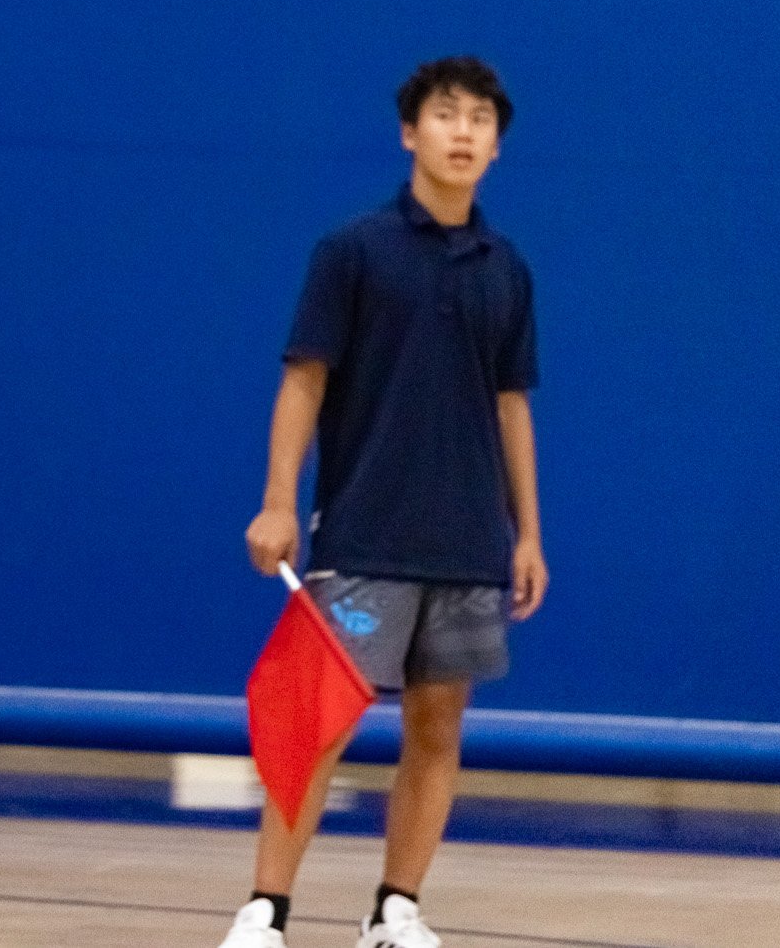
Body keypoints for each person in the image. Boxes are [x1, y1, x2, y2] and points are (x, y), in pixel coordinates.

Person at [218, 57, 549, 948]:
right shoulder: (353, 251)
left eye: (480, 119)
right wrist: (278, 501)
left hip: (469, 541)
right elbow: (304, 378)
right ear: (410, 132)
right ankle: (265, 911)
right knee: (317, 726)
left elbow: (511, 404)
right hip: (365, 534)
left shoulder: (507, 269)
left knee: (437, 727)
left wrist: (527, 533)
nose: (463, 131)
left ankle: (395, 909)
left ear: (497, 144)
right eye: (446, 114)